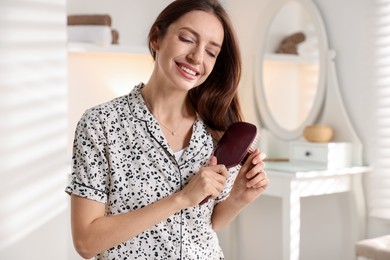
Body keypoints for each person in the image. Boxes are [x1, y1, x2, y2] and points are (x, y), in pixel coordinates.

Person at [65, 0, 269, 259]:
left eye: (211, 52)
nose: (197, 57)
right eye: (187, 39)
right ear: (156, 38)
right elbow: (86, 242)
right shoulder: (101, 124)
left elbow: (204, 225)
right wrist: (182, 198)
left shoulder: (216, 130)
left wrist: (239, 197)